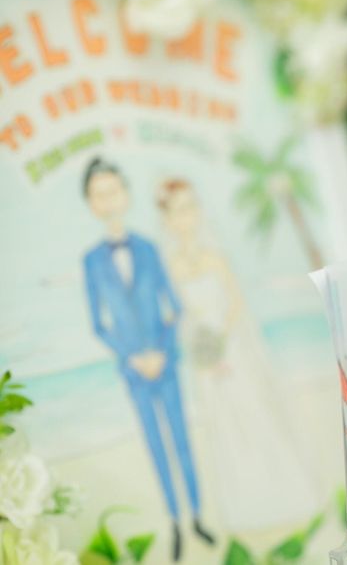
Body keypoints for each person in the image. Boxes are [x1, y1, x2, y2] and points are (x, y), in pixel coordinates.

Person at [156, 178, 319, 531]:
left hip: (233, 349)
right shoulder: (170, 267)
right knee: (226, 426)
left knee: (254, 412)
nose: (188, 216)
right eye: (179, 210)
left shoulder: (214, 257)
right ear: (167, 219)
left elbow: (235, 301)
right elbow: (176, 314)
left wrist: (223, 340)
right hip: (204, 357)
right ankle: (249, 508)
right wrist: (204, 349)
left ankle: (285, 496)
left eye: (191, 206)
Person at [82, 158, 214, 561]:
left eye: (114, 190)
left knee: (182, 442)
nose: (109, 199)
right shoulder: (92, 261)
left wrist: (161, 350)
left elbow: (174, 305)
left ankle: (197, 517)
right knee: (156, 447)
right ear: (91, 203)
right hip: (135, 372)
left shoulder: (148, 248)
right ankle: (174, 522)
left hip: (166, 364)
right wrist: (133, 357)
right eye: (100, 194)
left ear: (125, 193)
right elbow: (99, 324)